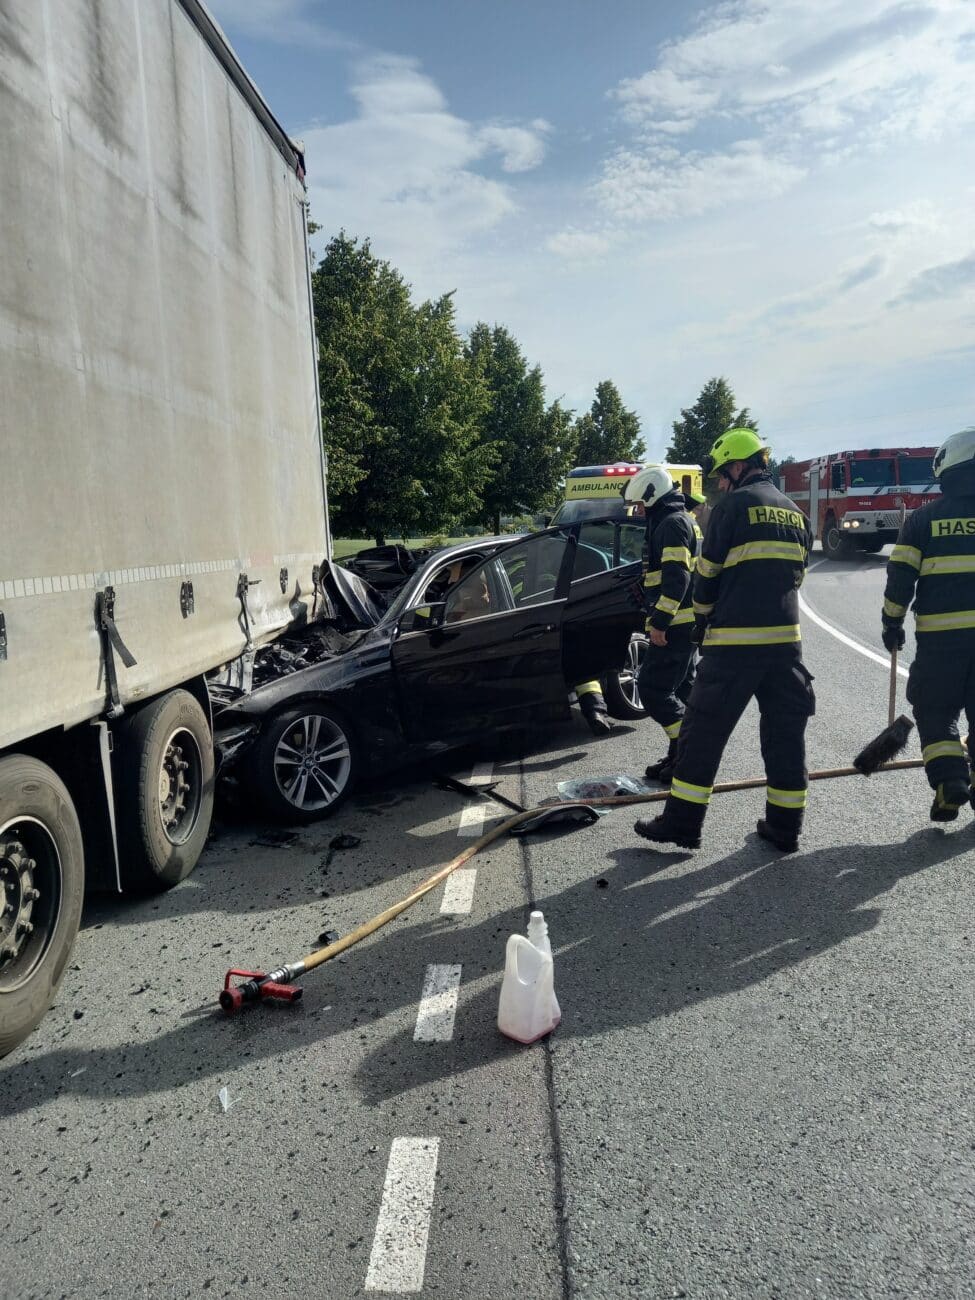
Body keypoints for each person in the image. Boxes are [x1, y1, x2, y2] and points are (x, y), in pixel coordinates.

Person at [635, 428, 814, 852]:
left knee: (701, 736)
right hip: (787, 648)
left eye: (721, 474)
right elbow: (798, 576)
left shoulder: (733, 507)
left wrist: (701, 622)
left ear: (738, 466)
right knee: (785, 738)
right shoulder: (796, 513)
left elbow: (707, 575)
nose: (717, 483)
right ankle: (785, 828)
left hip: (733, 646)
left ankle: (682, 823)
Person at [881, 426, 975, 821]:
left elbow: (900, 578)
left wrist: (892, 623)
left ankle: (951, 780)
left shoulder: (924, 519)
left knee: (935, 710)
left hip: (942, 642)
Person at [621, 467, 700, 782]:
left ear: (653, 495)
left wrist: (661, 622)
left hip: (675, 627)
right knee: (682, 690)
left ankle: (688, 751)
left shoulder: (671, 524)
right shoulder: (670, 521)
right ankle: (679, 756)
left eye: (640, 504)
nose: (638, 510)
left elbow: (677, 576)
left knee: (653, 690)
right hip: (682, 625)